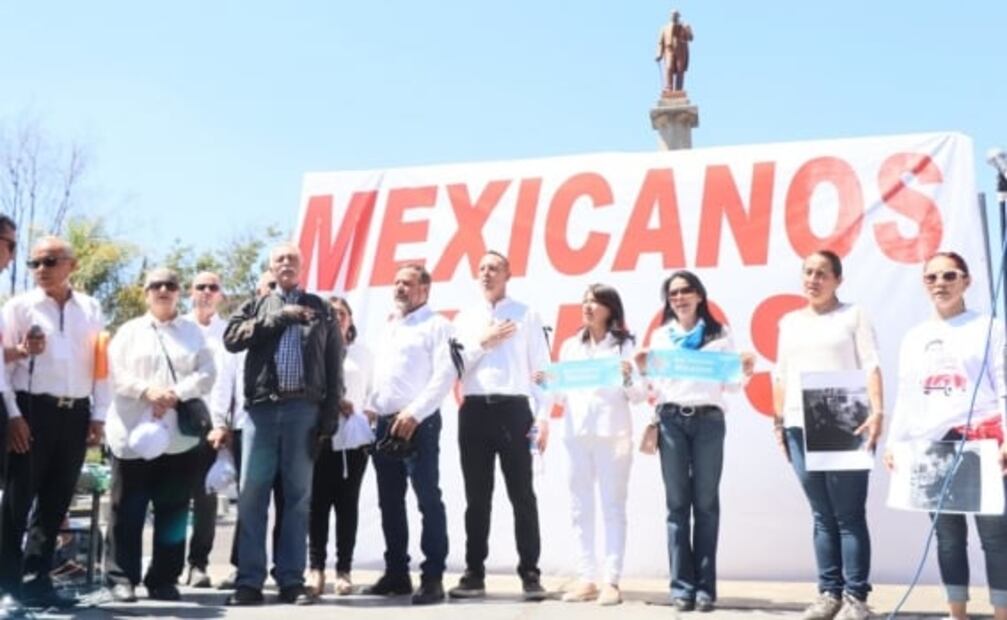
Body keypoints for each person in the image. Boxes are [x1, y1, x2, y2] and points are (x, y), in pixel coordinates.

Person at [884, 252, 1007, 620]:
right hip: (933, 447)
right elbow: (907, 393)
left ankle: (1002, 613)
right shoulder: (915, 336)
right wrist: (894, 441)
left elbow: (1003, 382)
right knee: (948, 538)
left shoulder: (990, 326)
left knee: (995, 537)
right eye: (932, 277)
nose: (940, 283)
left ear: (966, 281)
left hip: (981, 441)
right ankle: (957, 614)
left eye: (950, 275)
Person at [223, 243, 343, 606]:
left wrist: (329, 417)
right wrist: (280, 317)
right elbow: (231, 339)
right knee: (252, 497)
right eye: (280, 260)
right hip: (261, 411)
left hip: (303, 411)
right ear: (271, 268)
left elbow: (334, 364)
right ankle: (249, 581)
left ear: (302, 265)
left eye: (292, 259)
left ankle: (291, 579)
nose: (286, 264)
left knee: (298, 498)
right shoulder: (257, 305)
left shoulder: (321, 307)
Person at [0, 236, 110, 610]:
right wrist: (13, 415)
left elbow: (100, 365)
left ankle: (38, 581)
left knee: (55, 501)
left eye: (49, 261)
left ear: (71, 265)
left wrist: (98, 414)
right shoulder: (19, 306)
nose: (41, 270)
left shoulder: (91, 308)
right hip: (32, 409)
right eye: (34, 263)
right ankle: (8, 586)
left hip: (76, 411)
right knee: (18, 502)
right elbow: (1, 366)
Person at [773, 250, 884, 620]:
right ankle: (828, 594)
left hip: (842, 418)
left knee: (848, 514)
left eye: (822, 273)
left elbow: (871, 365)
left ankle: (856, 598)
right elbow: (781, 374)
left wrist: (877, 412)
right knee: (821, 514)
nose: (813, 279)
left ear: (838, 279)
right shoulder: (789, 321)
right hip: (798, 422)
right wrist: (778, 422)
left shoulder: (853, 315)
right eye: (808, 272)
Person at [633, 271, 753, 612]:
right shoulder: (661, 336)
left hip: (709, 422)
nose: (680, 298)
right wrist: (642, 368)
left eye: (686, 291)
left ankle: (705, 589)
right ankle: (681, 587)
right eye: (673, 294)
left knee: (706, 505)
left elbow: (730, 386)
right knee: (676, 506)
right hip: (671, 421)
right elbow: (651, 386)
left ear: (700, 296)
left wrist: (744, 370)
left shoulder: (719, 334)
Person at [104, 267, 215, 603]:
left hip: (178, 438)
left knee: (174, 510)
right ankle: (121, 578)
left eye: (170, 284)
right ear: (146, 292)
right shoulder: (128, 331)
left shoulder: (192, 332)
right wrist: (146, 391)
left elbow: (208, 373)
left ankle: (164, 578)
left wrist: (174, 394)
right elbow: (114, 375)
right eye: (156, 285)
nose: (163, 289)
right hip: (133, 436)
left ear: (179, 292)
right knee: (127, 510)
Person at [448, 251, 550, 601]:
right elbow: (456, 365)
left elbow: (542, 369)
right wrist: (483, 342)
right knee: (477, 497)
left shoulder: (526, 314)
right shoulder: (465, 317)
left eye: (493, 268)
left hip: (514, 410)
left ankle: (530, 573)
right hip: (474, 410)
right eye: (481, 268)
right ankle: (474, 572)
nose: (486, 273)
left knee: (522, 494)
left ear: (509, 273)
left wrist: (543, 415)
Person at [361, 264, 454, 605]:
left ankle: (432, 578)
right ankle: (397, 574)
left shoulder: (438, 325)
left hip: (419, 423)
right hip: (384, 424)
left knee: (428, 498)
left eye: (408, 283)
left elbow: (445, 374)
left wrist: (414, 412)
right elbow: (381, 375)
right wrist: (371, 407)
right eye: (396, 282)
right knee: (389, 501)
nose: (399, 288)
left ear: (425, 290)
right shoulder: (389, 326)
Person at [551, 284, 646, 606]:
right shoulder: (569, 346)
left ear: (610, 309)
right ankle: (586, 577)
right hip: (576, 434)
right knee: (580, 508)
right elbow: (560, 396)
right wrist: (551, 381)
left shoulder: (625, 345)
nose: (588, 306)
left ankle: (611, 580)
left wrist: (628, 376)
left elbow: (639, 395)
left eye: (596, 302)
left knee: (613, 506)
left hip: (613, 434)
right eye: (585, 301)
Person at [213, 270, 285, 591]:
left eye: (276, 286)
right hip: (248, 426)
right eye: (267, 286)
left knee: (285, 500)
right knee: (251, 501)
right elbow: (223, 382)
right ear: (257, 291)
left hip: (287, 425)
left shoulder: (293, 325)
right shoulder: (241, 330)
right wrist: (220, 422)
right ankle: (243, 566)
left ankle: (284, 569)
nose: (272, 291)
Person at [307, 296, 374, 599]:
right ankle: (316, 569)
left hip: (353, 440)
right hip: (321, 438)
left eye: (342, 313)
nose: (336, 317)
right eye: (331, 313)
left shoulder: (364, 354)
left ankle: (343, 570)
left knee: (347, 506)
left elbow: (375, 391)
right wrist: (332, 402)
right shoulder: (314, 350)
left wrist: (362, 410)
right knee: (317, 506)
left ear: (350, 319)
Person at [184, 271, 227, 588]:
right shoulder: (179, 328)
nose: (207, 292)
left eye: (213, 287)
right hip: (176, 421)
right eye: (201, 287)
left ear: (221, 294)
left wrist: (224, 425)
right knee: (170, 497)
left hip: (214, 426)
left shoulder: (229, 333)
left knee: (206, 499)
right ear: (190, 292)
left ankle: (198, 564)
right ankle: (166, 566)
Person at [655, 9, 693, 92]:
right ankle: (669, 88)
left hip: (681, 49)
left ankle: (679, 89)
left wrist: (686, 29)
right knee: (669, 68)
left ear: (678, 17)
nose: (674, 16)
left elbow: (691, 38)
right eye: (673, 15)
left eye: (676, 15)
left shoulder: (684, 26)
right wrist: (659, 53)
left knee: (680, 69)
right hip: (669, 50)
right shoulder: (664, 28)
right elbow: (660, 42)